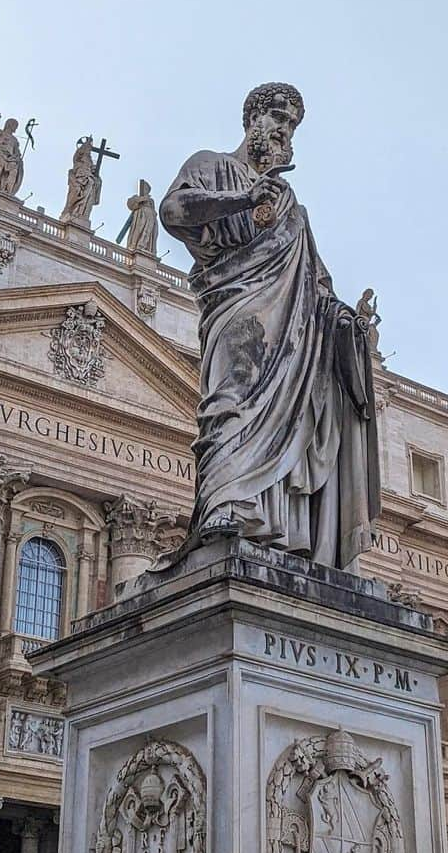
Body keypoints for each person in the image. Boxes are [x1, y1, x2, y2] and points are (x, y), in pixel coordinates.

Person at [158, 82, 380, 570]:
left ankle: (269, 520)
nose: (284, 129)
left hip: (293, 329)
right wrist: (242, 200)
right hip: (236, 304)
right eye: (277, 117)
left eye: (292, 124)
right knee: (230, 395)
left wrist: (343, 321)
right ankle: (223, 501)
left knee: (292, 413)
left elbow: (316, 280)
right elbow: (173, 212)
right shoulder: (211, 164)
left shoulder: (292, 208)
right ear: (252, 118)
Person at [0, 113, 24, 196]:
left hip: (10, 158)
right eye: (14, 125)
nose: (15, 128)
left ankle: (8, 192)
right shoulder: (1, 133)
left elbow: (17, 152)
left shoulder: (14, 140)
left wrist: (17, 157)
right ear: (9, 125)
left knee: (14, 171)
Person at [125, 179, 158, 255]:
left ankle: (146, 247)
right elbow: (130, 204)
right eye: (144, 188)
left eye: (147, 189)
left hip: (151, 217)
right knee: (139, 230)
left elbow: (154, 210)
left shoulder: (151, 200)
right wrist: (141, 199)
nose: (145, 190)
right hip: (141, 216)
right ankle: (136, 246)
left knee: (148, 232)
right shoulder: (136, 197)